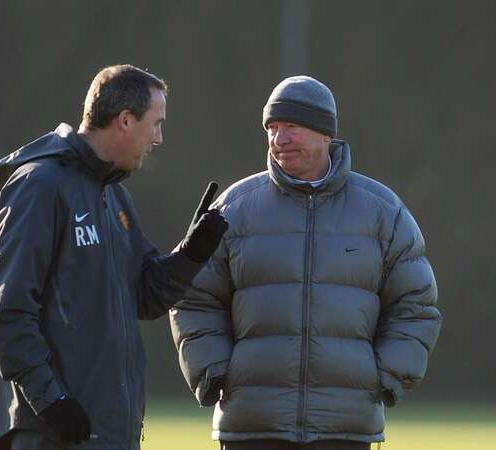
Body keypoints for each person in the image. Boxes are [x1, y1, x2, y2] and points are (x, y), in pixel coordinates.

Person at [169, 76, 442, 450]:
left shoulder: (383, 212)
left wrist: (383, 378)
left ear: (325, 134)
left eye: (291, 127)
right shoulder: (233, 208)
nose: (279, 140)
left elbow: (416, 304)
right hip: (251, 426)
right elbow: (192, 297)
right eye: (273, 128)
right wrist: (214, 373)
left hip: (345, 429)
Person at [0, 64, 228, 450]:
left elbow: (145, 297)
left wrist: (192, 253)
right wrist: (52, 402)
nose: (159, 138)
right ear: (125, 121)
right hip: (46, 432)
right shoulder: (39, 185)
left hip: (104, 433)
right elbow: (8, 311)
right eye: (156, 124)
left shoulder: (114, 196)